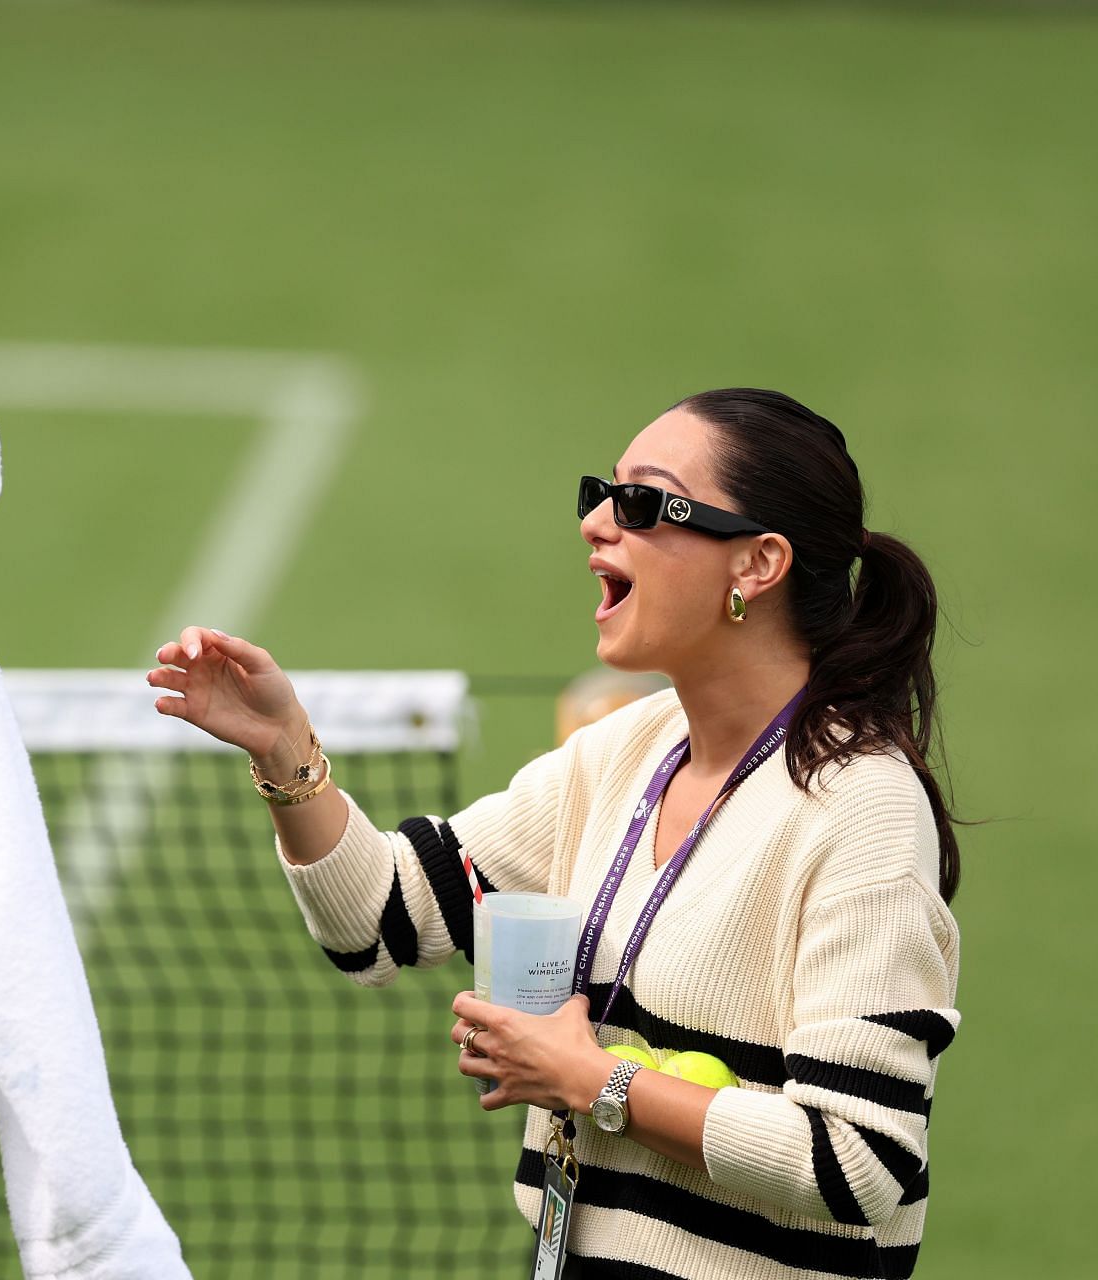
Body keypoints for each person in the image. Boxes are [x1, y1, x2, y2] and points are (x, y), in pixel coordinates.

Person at [148, 389, 962, 1279]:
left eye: (645, 502)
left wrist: (595, 1082)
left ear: (758, 564)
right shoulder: (626, 752)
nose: (597, 525)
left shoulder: (859, 807)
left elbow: (858, 1162)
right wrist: (284, 747)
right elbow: (380, 920)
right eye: (600, 494)